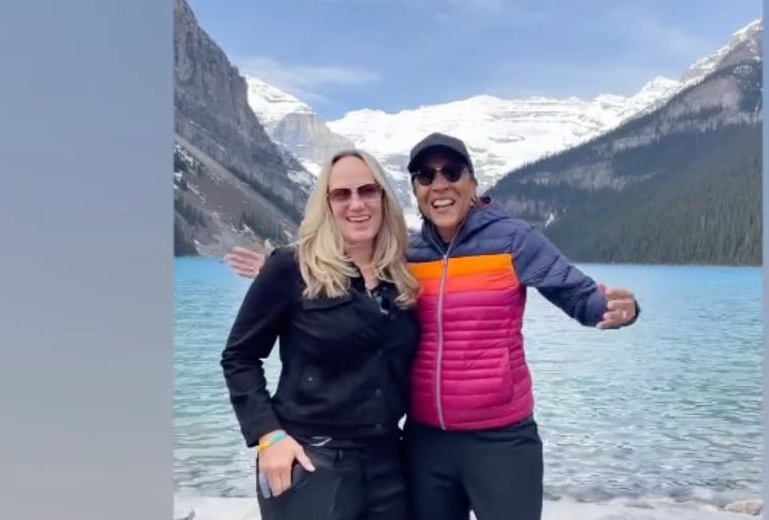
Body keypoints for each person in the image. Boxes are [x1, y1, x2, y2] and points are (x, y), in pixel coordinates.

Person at [224, 132, 640, 520]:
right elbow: (325, 294)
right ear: (416, 192)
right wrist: (283, 275)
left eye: (452, 172)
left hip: (492, 439)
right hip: (408, 444)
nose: (439, 184)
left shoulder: (507, 241)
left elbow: (576, 293)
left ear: (472, 182)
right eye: (425, 176)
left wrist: (617, 309)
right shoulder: (404, 254)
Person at [220, 149, 421, 520]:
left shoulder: (400, 276)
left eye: (367, 191)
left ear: (384, 198)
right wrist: (269, 436)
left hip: (388, 462)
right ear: (325, 205)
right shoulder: (291, 267)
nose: (356, 204)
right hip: (312, 462)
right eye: (342, 194)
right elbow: (240, 357)